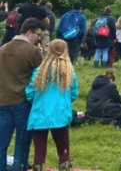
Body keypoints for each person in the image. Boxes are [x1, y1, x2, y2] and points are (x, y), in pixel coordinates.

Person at [25, 39, 79, 171]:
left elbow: (30, 93)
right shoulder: (69, 72)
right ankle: (65, 168)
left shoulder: (39, 71)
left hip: (40, 115)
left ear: (48, 50)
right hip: (60, 115)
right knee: (63, 148)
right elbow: (74, 93)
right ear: (65, 51)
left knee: (39, 151)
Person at [0, 18, 45, 171]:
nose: (38, 38)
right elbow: (42, 74)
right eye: (38, 34)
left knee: (1, 144)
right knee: (22, 144)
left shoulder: (3, 48)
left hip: (2, 101)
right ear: (29, 32)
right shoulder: (32, 51)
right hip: (22, 102)